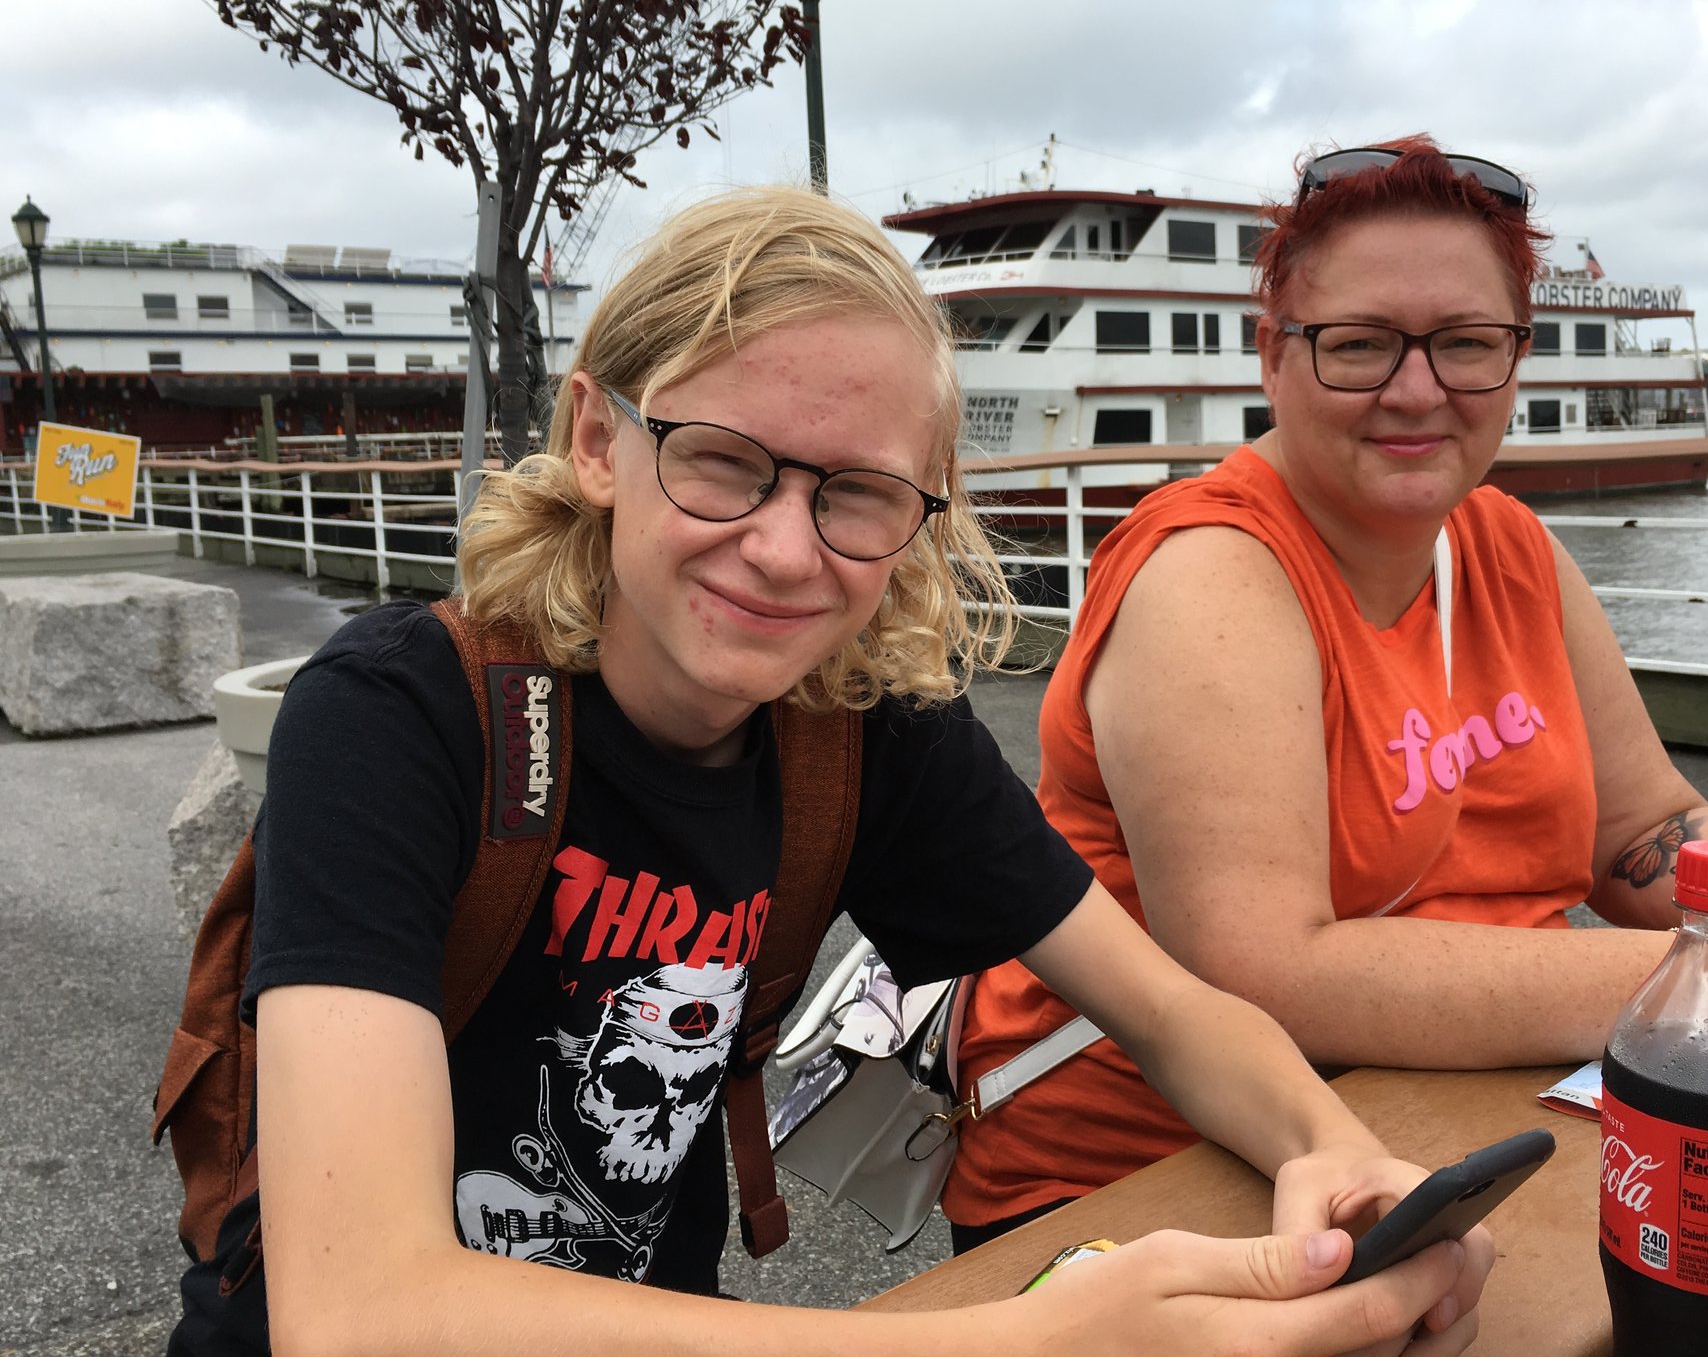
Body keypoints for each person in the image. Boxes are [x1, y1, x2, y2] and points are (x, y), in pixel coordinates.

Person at [170, 185, 1493, 1357]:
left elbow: (1172, 1011)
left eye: (856, 494)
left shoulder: (856, 723)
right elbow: (360, 1313)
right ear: (599, 442)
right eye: (722, 463)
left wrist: (1335, 1156)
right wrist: (1016, 1342)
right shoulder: (400, 719)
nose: (786, 552)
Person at [944, 138, 1708, 1241]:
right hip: (1154, 1184)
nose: (1416, 390)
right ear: (1273, 356)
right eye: (1359, 345)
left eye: (1464, 344)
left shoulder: (1512, 550)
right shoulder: (1209, 575)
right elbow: (1265, 972)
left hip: (1472, 1118)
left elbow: (1641, 829)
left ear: (1514, 356)